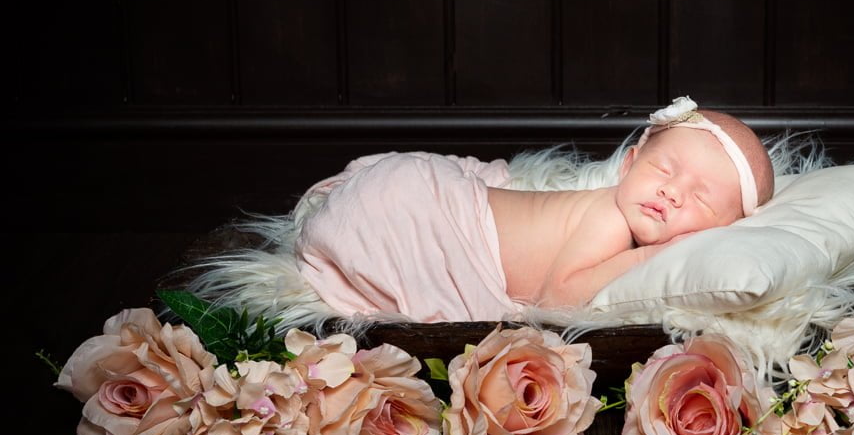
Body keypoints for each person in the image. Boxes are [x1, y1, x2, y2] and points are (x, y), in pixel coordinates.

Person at [294, 97, 774, 321]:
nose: (671, 193)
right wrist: (650, 257)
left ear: (726, 227)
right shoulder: (610, 218)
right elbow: (557, 297)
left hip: (433, 193)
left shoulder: (623, 220)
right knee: (391, 252)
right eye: (664, 170)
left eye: (700, 197)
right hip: (429, 208)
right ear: (628, 164)